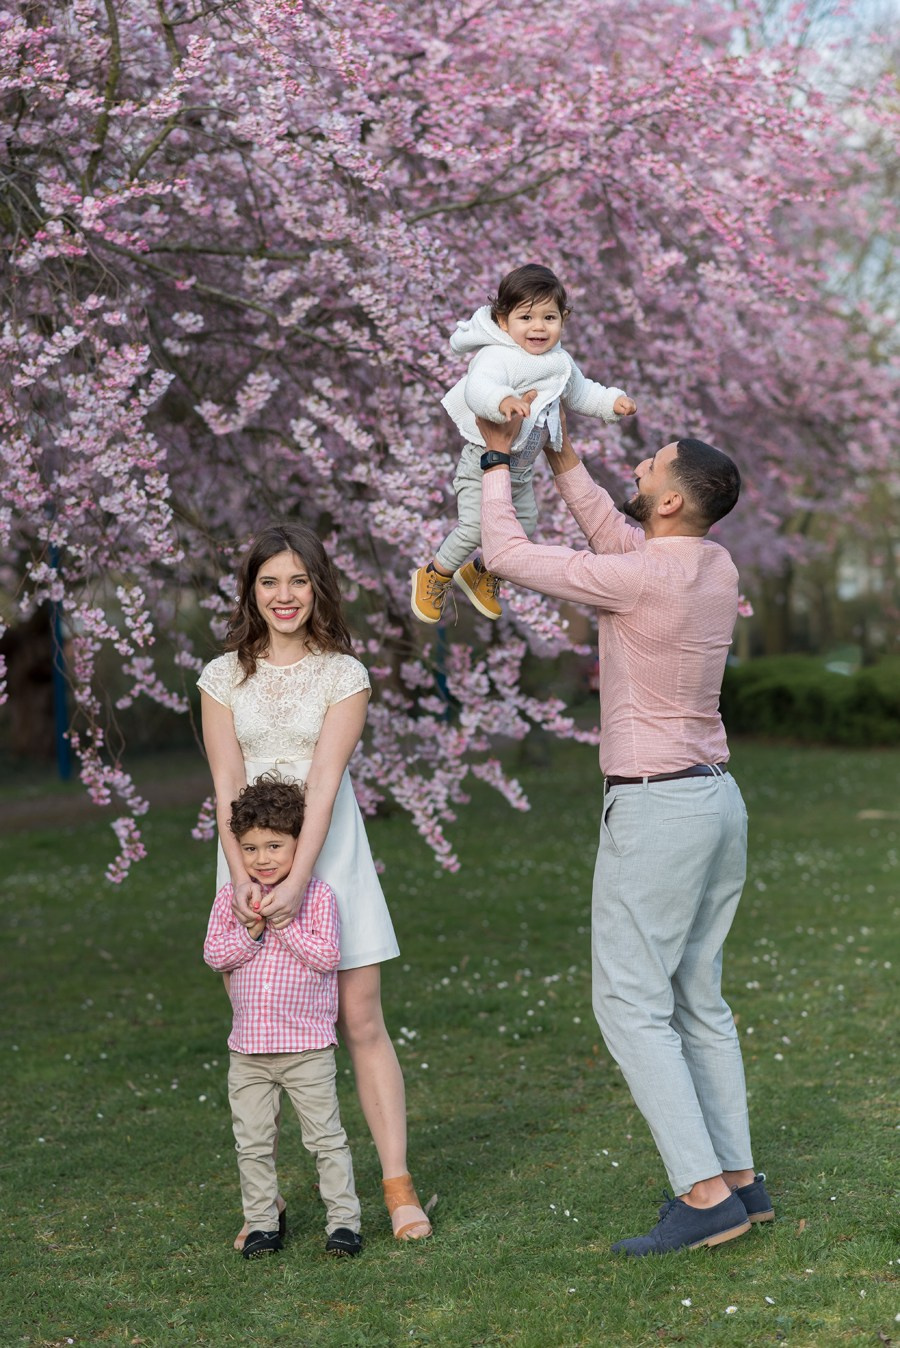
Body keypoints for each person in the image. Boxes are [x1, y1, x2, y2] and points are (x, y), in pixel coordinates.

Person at [477, 399, 773, 1257]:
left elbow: (507, 555)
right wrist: (564, 462)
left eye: (649, 465)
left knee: (630, 1003)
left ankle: (703, 1194)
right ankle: (741, 1181)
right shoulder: (712, 563)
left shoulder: (643, 577)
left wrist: (496, 464)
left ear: (671, 501)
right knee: (698, 996)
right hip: (715, 800)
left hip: (659, 807)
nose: (636, 468)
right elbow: (622, 540)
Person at [198, 523, 432, 1248]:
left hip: (329, 857)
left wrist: (301, 879)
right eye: (269, 581)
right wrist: (244, 875)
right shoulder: (220, 678)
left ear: (317, 587)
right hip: (247, 858)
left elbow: (325, 784)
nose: (284, 595)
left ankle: (396, 1187)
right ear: (250, 591)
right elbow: (225, 783)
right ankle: (264, 1203)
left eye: (298, 580)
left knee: (359, 1019)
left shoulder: (343, 675)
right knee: (263, 1027)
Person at [410, 263, 636, 625]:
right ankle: (434, 574)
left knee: (525, 527)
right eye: (526, 317)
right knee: (474, 527)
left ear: (563, 319)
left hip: (521, 472)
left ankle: (480, 573)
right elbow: (478, 387)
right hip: (481, 463)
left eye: (549, 317)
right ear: (503, 321)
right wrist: (501, 401)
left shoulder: (559, 361)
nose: (538, 327)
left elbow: (580, 392)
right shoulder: (498, 355)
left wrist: (611, 402)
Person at [204, 776, 363, 1258]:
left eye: (274, 845)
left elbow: (326, 957)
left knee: (325, 1139)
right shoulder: (232, 900)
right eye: (250, 848)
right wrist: (251, 931)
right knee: (252, 1143)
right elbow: (215, 955)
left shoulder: (316, 898)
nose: (262, 858)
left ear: (298, 842)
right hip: (248, 1052)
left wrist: (283, 923)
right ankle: (261, 1224)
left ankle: (344, 1223)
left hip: (307, 1049)